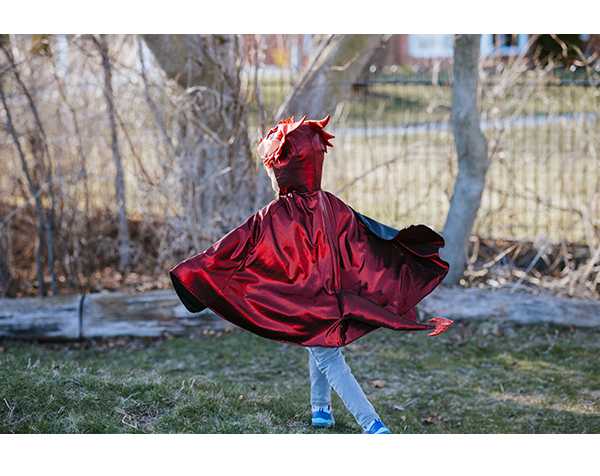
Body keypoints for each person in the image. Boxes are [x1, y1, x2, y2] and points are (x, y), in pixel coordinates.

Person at [170, 115, 452, 434]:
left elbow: (233, 246)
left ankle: (372, 424)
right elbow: (368, 238)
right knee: (319, 341)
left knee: (328, 357)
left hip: (311, 302)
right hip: (327, 298)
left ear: (282, 169)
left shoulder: (277, 213)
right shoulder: (330, 204)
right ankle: (321, 409)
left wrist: (194, 273)